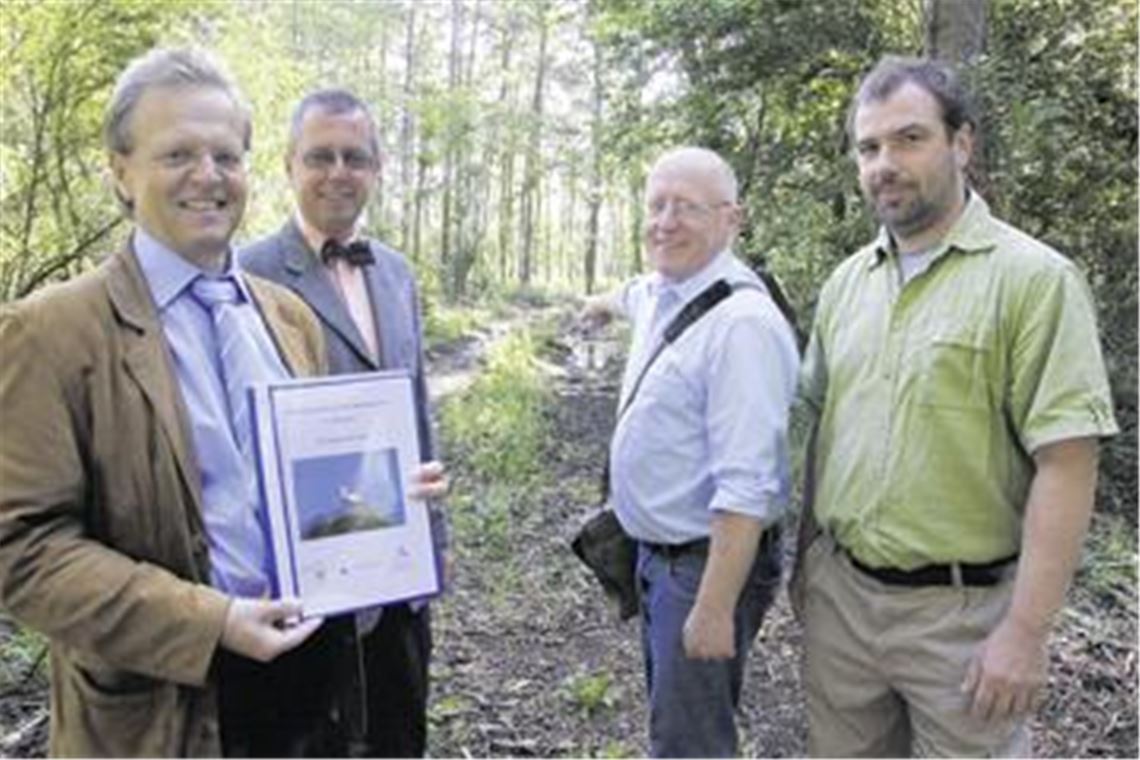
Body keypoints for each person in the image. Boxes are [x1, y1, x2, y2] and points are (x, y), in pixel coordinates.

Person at [0, 49, 445, 757]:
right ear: (120, 170)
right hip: (166, 711)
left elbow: (311, 493)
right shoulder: (51, 332)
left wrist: (383, 497)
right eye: (177, 153)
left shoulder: (287, 316)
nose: (207, 176)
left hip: (314, 692)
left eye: (225, 155)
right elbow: (20, 550)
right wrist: (211, 622)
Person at [795, 55, 1118, 757]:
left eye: (909, 139)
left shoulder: (1034, 281)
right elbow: (824, 431)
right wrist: (804, 572)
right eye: (869, 146)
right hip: (841, 609)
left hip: (964, 622)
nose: (885, 163)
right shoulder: (846, 284)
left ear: (961, 143)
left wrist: (1026, 634)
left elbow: (1067, 462)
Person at [240, 88, 443, 758]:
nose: (338, 172)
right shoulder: (246, 272)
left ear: (377, 168)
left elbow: (412, 405)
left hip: (399, 574)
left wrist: (428, 510)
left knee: (397, 740)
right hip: (303, 585)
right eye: (319, 156)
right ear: (288, 166)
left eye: (354, 157)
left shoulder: (398, 273)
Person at [590, 146, 799, 757]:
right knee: (673, 727)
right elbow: (633, 291)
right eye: (656, 205)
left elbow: (747, 484)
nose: (665, 221)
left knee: (691, 744)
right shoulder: (664, 289)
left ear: (731, 219)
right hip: (659, 559)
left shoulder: (743, 327)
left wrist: (713, 608)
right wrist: (600, 304)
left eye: (687, 207)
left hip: (703, 567)